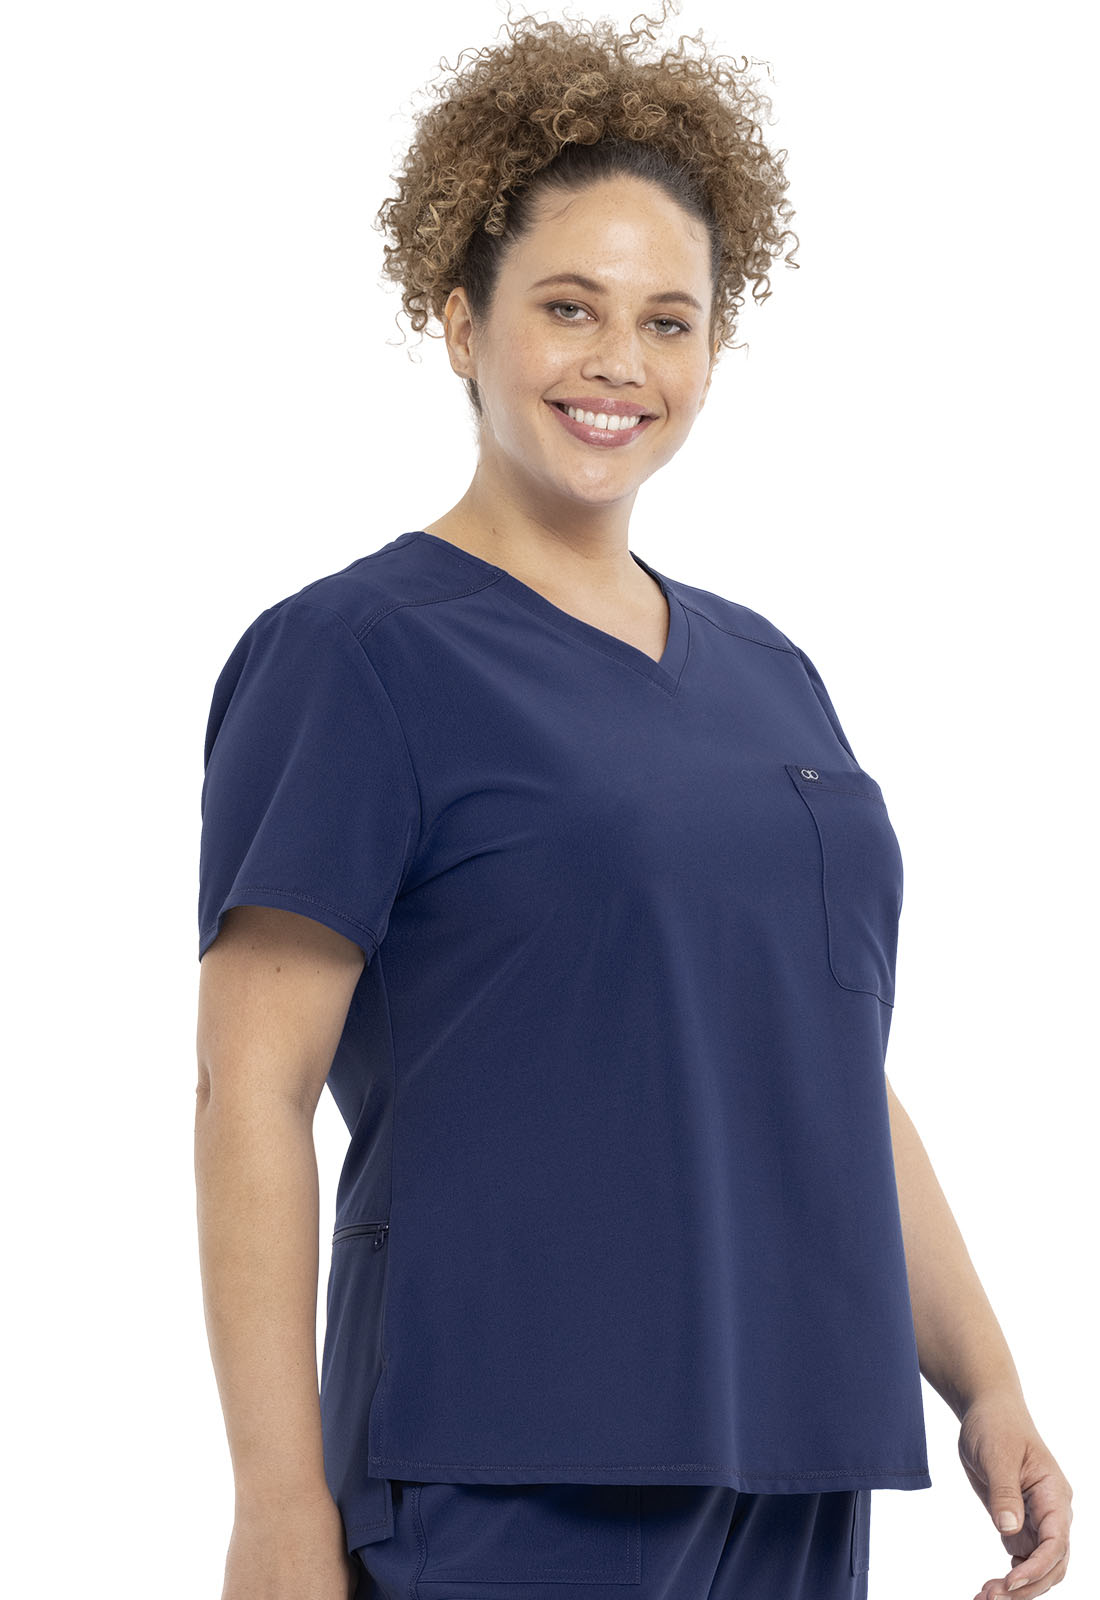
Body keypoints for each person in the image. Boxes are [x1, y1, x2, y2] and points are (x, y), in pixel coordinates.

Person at [193, 4, 1072, 1598]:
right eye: (568, 308)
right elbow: (249, 1090)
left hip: (793, 1450)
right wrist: (275, 1506)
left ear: (714, 350)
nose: (620, 362)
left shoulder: (771, 674)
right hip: (507, 1454)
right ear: (458, 322)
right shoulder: (358, 656)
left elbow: (821, 1066)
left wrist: (985, 1378)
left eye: (670, 320)